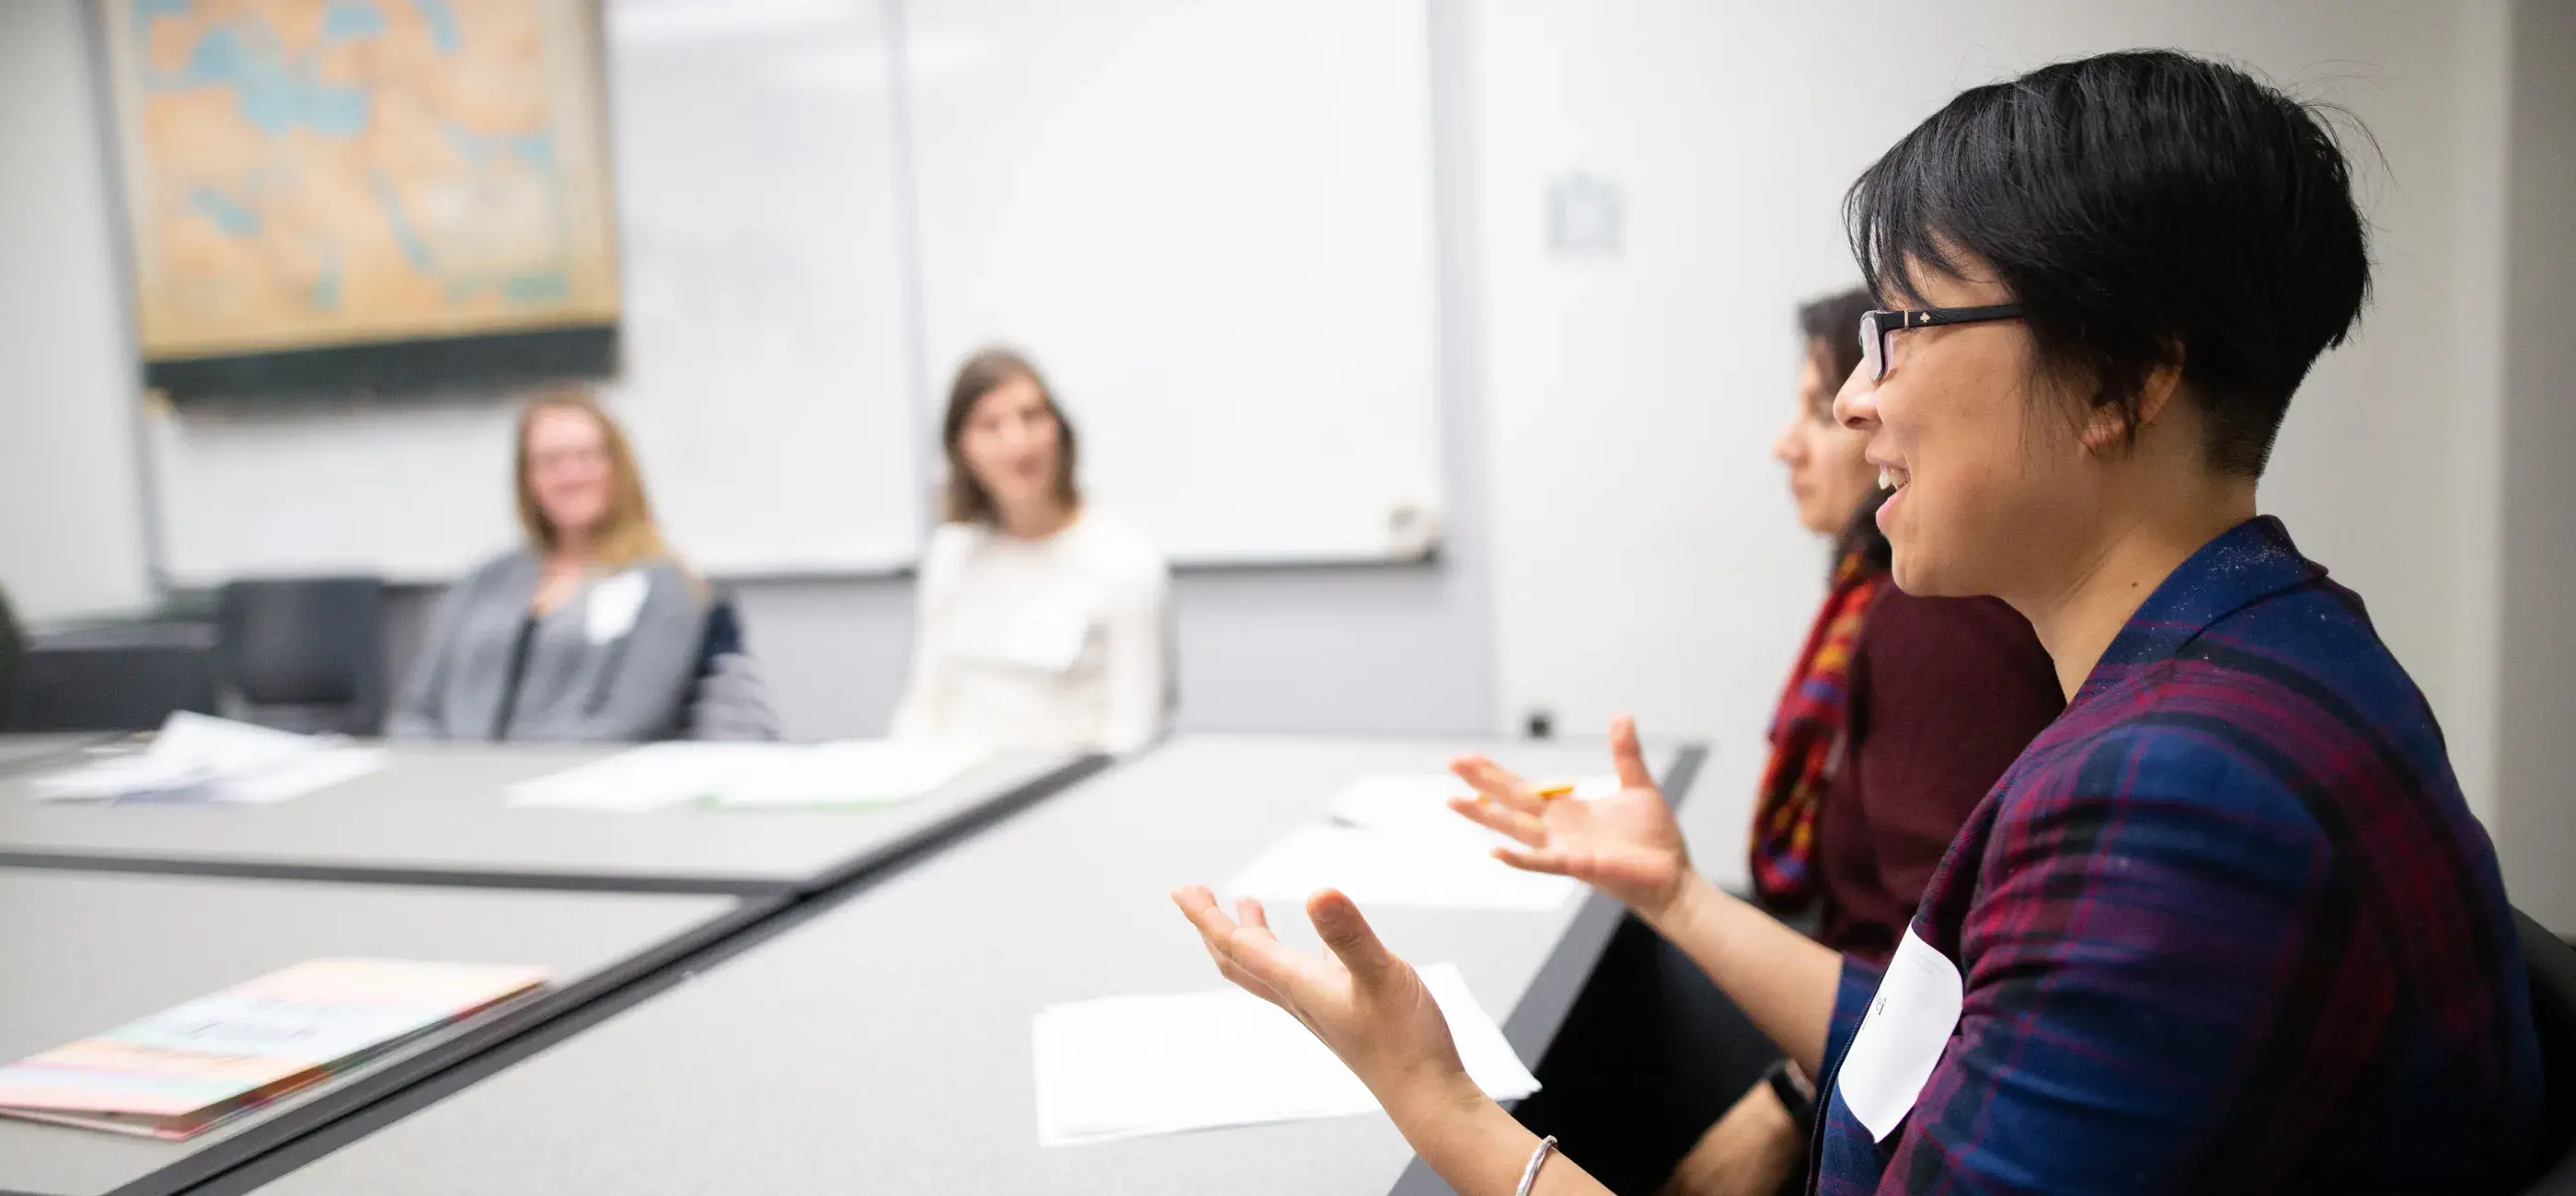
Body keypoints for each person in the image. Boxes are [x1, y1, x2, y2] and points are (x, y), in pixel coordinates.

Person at [1176, 49, 2543, 1194]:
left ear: (2120, 381)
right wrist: (1670, 894)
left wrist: (1439, 1105)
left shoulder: (2175, 802)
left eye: (1904, 329)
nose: (1852, 401)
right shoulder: (2258, 655)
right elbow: (1938, 1041)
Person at [1510, 291, 2064, 1196]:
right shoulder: (1876, 599)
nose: (1793, 440)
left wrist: (1786, 1099)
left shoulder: (1936, 619)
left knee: (1581, 1028)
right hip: (1848, 1004)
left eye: (1822, 407)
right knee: (1612, 957)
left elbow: (1947, 971)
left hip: (1863, 1052)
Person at [890, 348, 1170, 755]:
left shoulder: (1125, 564)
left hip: (1065, 799)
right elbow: (922, 710)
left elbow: (1134, 737)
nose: (1017, 443)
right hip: (956, 792)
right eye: (990, 425)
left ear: (1060, 430)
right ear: (960, 448)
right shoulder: (952, 555)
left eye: (1031, 417)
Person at [387, 389, 710, 742]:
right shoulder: (485, 580)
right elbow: (417, 710)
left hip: (567, 785)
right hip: (449, 784)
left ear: (618, 468)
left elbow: (629, 722)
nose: (570, 474)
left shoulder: (661, 584)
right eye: (550, 461)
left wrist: (507, 773)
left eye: (587, 456)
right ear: (528, 479)